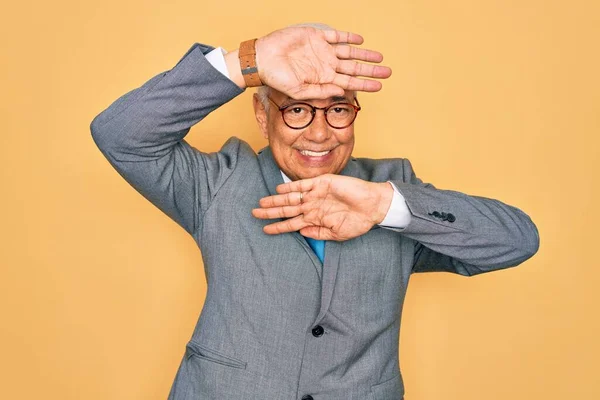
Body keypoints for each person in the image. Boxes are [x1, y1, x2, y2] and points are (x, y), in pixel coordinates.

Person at [90, 24, 539, 400]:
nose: (320, 134)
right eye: (298, 110)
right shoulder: (218, 183)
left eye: (338, 109)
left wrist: (385, 205)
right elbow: (120, 133)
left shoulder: (391, 186)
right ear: (263, 117)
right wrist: (248, 60)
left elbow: (518, 241)